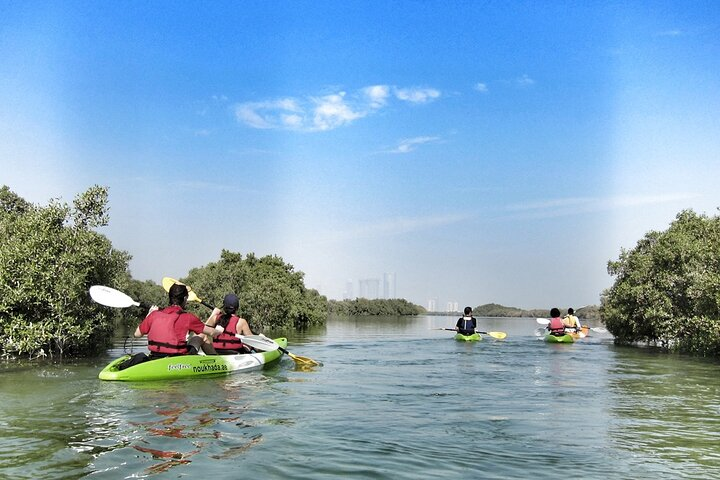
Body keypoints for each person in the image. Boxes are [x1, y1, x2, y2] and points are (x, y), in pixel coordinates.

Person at [134, 283, 220, 358]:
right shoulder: (188, 317)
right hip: (178, 358)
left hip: (155, 355)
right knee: (202, 335)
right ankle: (218, 362)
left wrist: (148, 314)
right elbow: (212, 333)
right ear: (185, 298)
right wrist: (221, 329)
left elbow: (137, 334)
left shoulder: (154, 314)